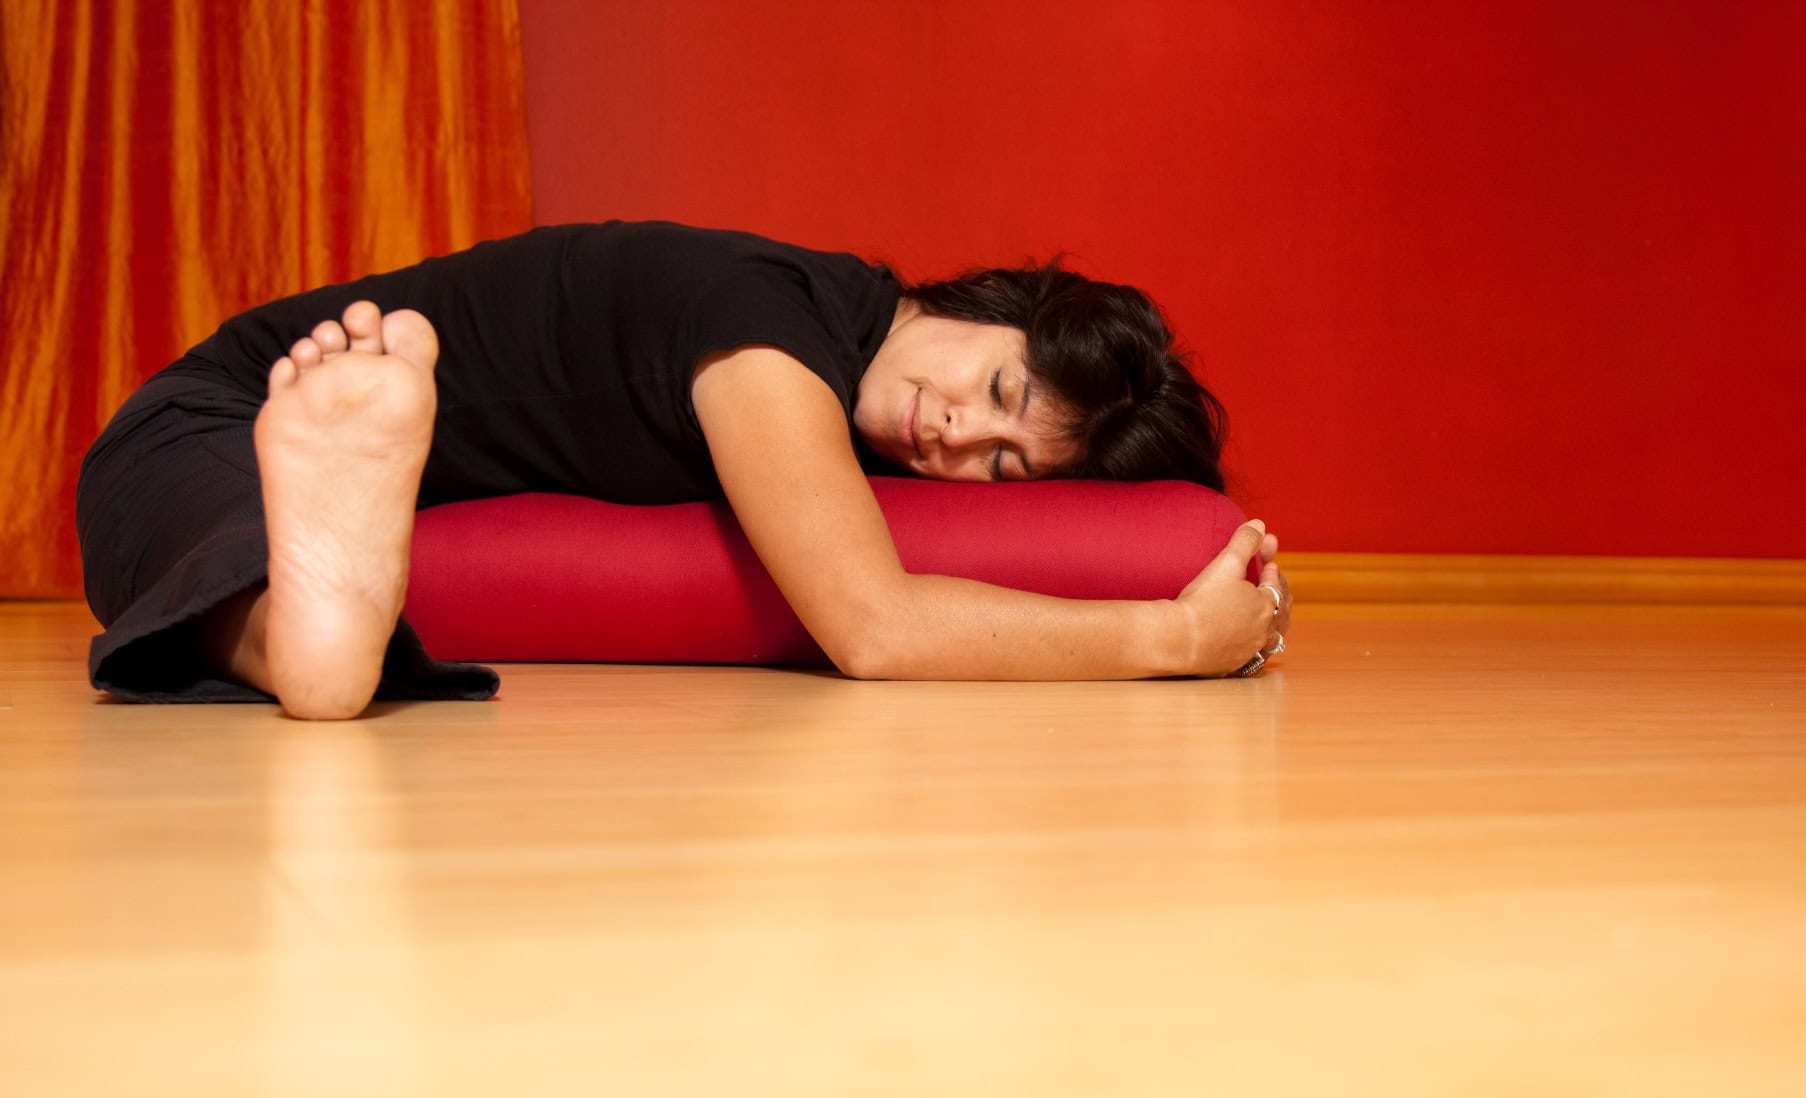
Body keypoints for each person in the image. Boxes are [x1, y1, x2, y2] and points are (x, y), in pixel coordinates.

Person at [76, 220, 1288, 720]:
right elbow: (872, 626)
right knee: (242, 583)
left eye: (1006, 466)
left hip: (302, 466)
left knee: (283, 600)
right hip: (196, 431)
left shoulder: (830, 315)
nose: (955, 434)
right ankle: (312, 630)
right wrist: (1175, 640)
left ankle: (323, 611)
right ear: (988, 304)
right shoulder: (768, 342)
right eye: (999, 389)